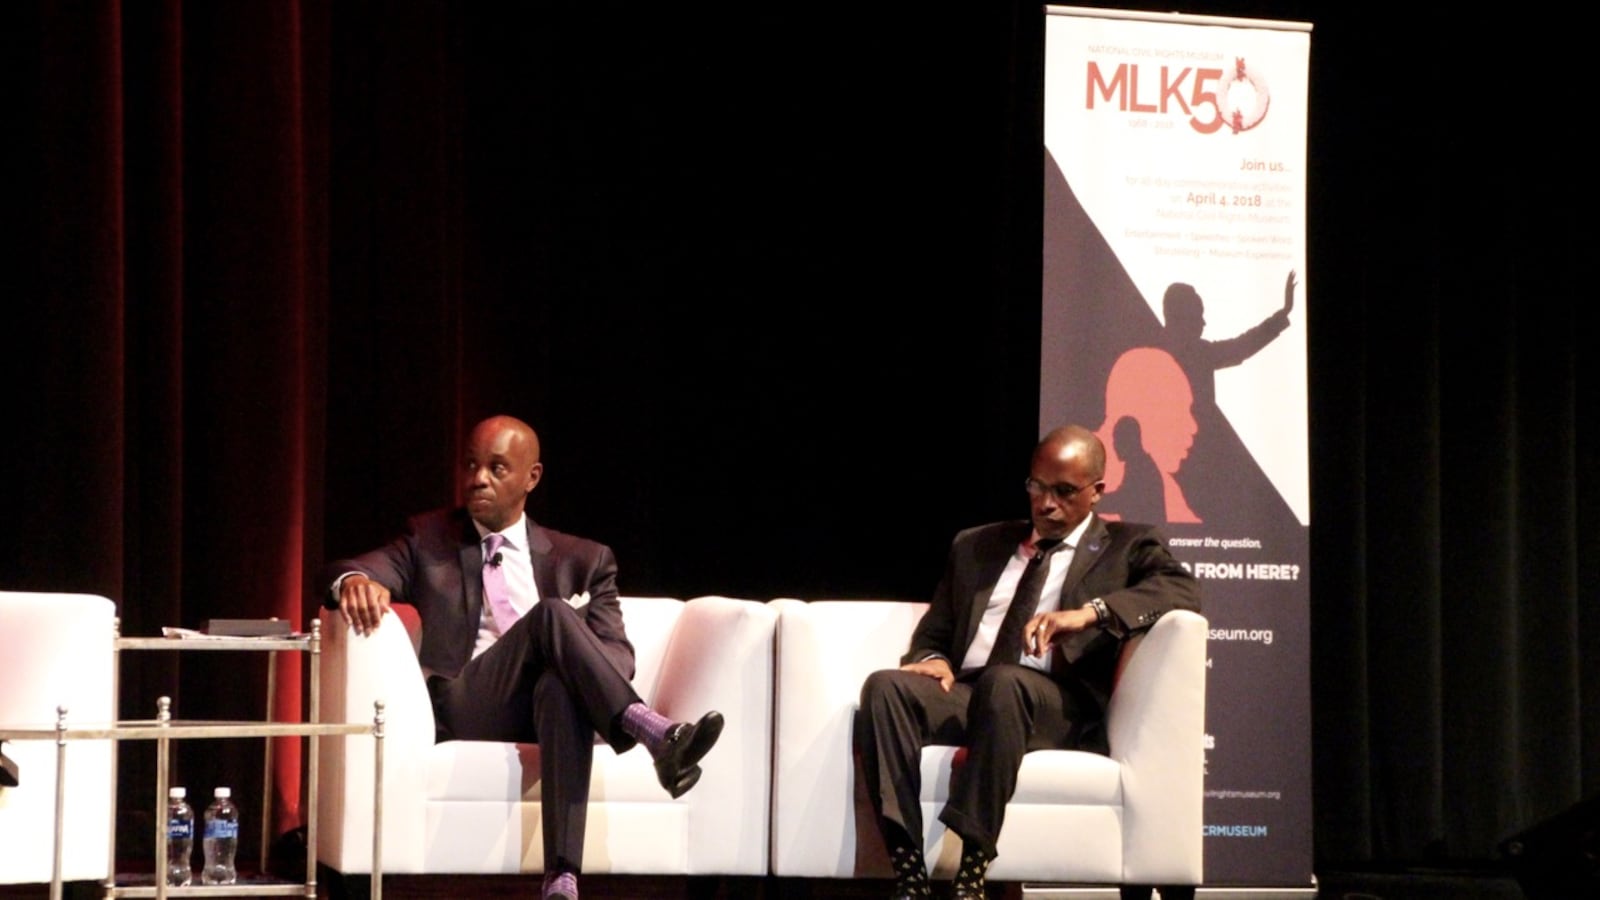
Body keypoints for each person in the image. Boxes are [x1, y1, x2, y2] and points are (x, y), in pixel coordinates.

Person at [324, 415, 722, 900]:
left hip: (547, 708)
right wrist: (355, 583)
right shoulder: (428, 540)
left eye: (496, 468)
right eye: (471, 465)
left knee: (559, 688)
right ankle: (653, 732)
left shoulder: (585, 560)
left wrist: (577, 666)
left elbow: (616, 656)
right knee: (552, 614)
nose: (478, 479)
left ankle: (561, 878)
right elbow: (352, 567)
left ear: (531, 477)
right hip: (471, 700)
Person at [854, 425, 1201, 900]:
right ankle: (909, 870)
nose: (1046, 504)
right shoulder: (977, 546)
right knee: (885, 687)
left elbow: (1183, 591)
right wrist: (932, 659)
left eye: (1064, 491)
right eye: (1037, 487)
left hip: (1054, 704)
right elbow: (934, 632)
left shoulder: (1127, 544)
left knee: (1004, 683)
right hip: (970, 694)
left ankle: (971, 871)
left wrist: (1088, 613)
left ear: (1097, 491)